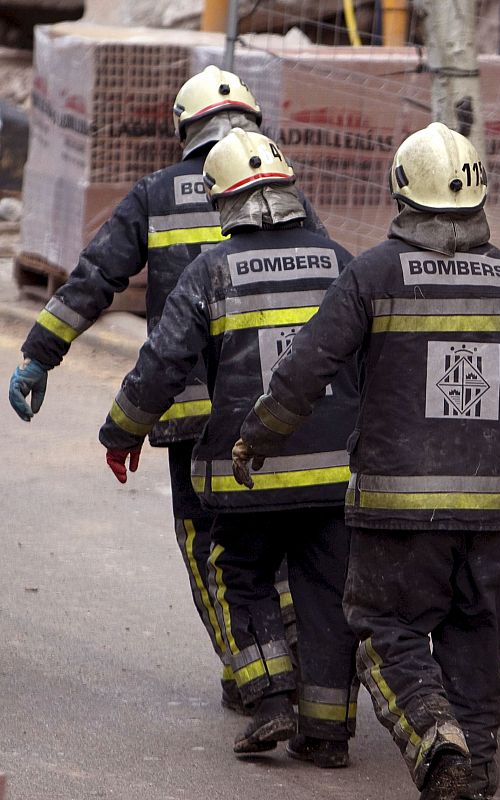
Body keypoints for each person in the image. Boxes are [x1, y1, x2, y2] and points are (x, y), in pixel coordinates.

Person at [231, 122, 500, 800]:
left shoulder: (374, 273)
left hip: (397, 509)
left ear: (401, 194)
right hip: (493, 511)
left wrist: (258, 437)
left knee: (383, 628)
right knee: (477, 646)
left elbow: (306, 367)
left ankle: (435, 739)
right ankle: (473, 773)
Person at [8, 65, 325, 711]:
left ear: (185, 129)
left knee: (208, 544)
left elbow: (96, 277)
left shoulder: (155, 192)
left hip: (189, 409)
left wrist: (40, 354)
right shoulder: (282, 190)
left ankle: (253, 674)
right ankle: (293, 654)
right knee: (272, 533)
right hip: (274, 404)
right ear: (252, 122)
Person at [97, 130, 359, 761]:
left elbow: (163, 364)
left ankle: (269, 703)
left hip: (250, 473)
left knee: (241, 575)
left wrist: (122, 432)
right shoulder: (340, 261)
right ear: (289, 189)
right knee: (326, 594)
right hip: (334, 474)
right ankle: (327, 737)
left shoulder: (211, 271)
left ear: (224, 202)